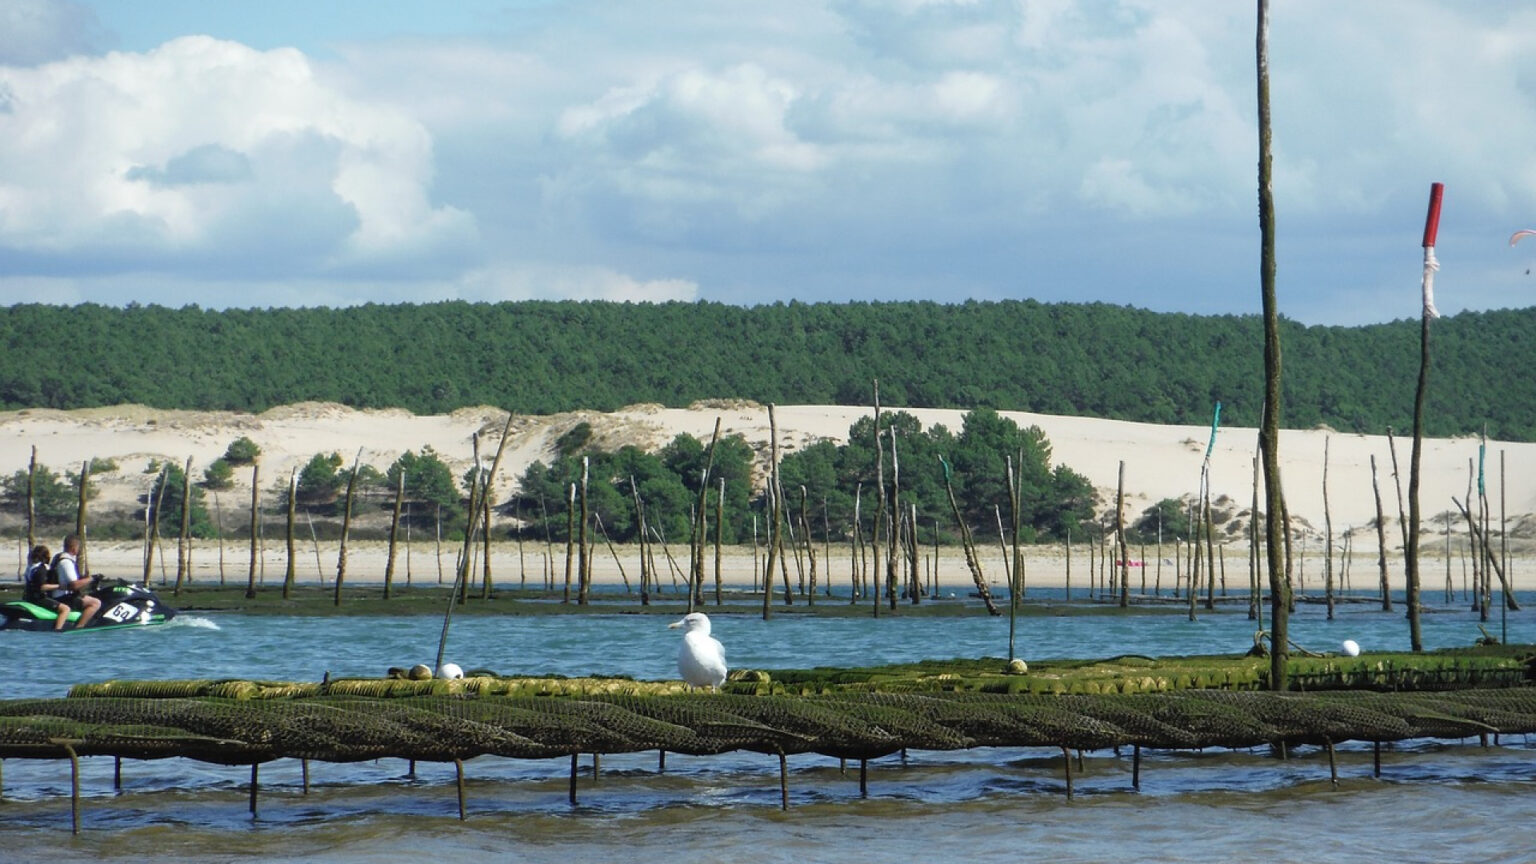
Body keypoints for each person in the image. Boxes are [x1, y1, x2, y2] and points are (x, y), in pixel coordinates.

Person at [49, 534, 100, 631]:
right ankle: (79, 627)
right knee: (95, 603)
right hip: (63, 598)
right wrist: (91, 579)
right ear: (73, 548)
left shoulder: (58, 557)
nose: (79, 550)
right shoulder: (66, 562)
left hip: (59, 595)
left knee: (88, 597)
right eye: (78, 547)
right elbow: (74, 585)